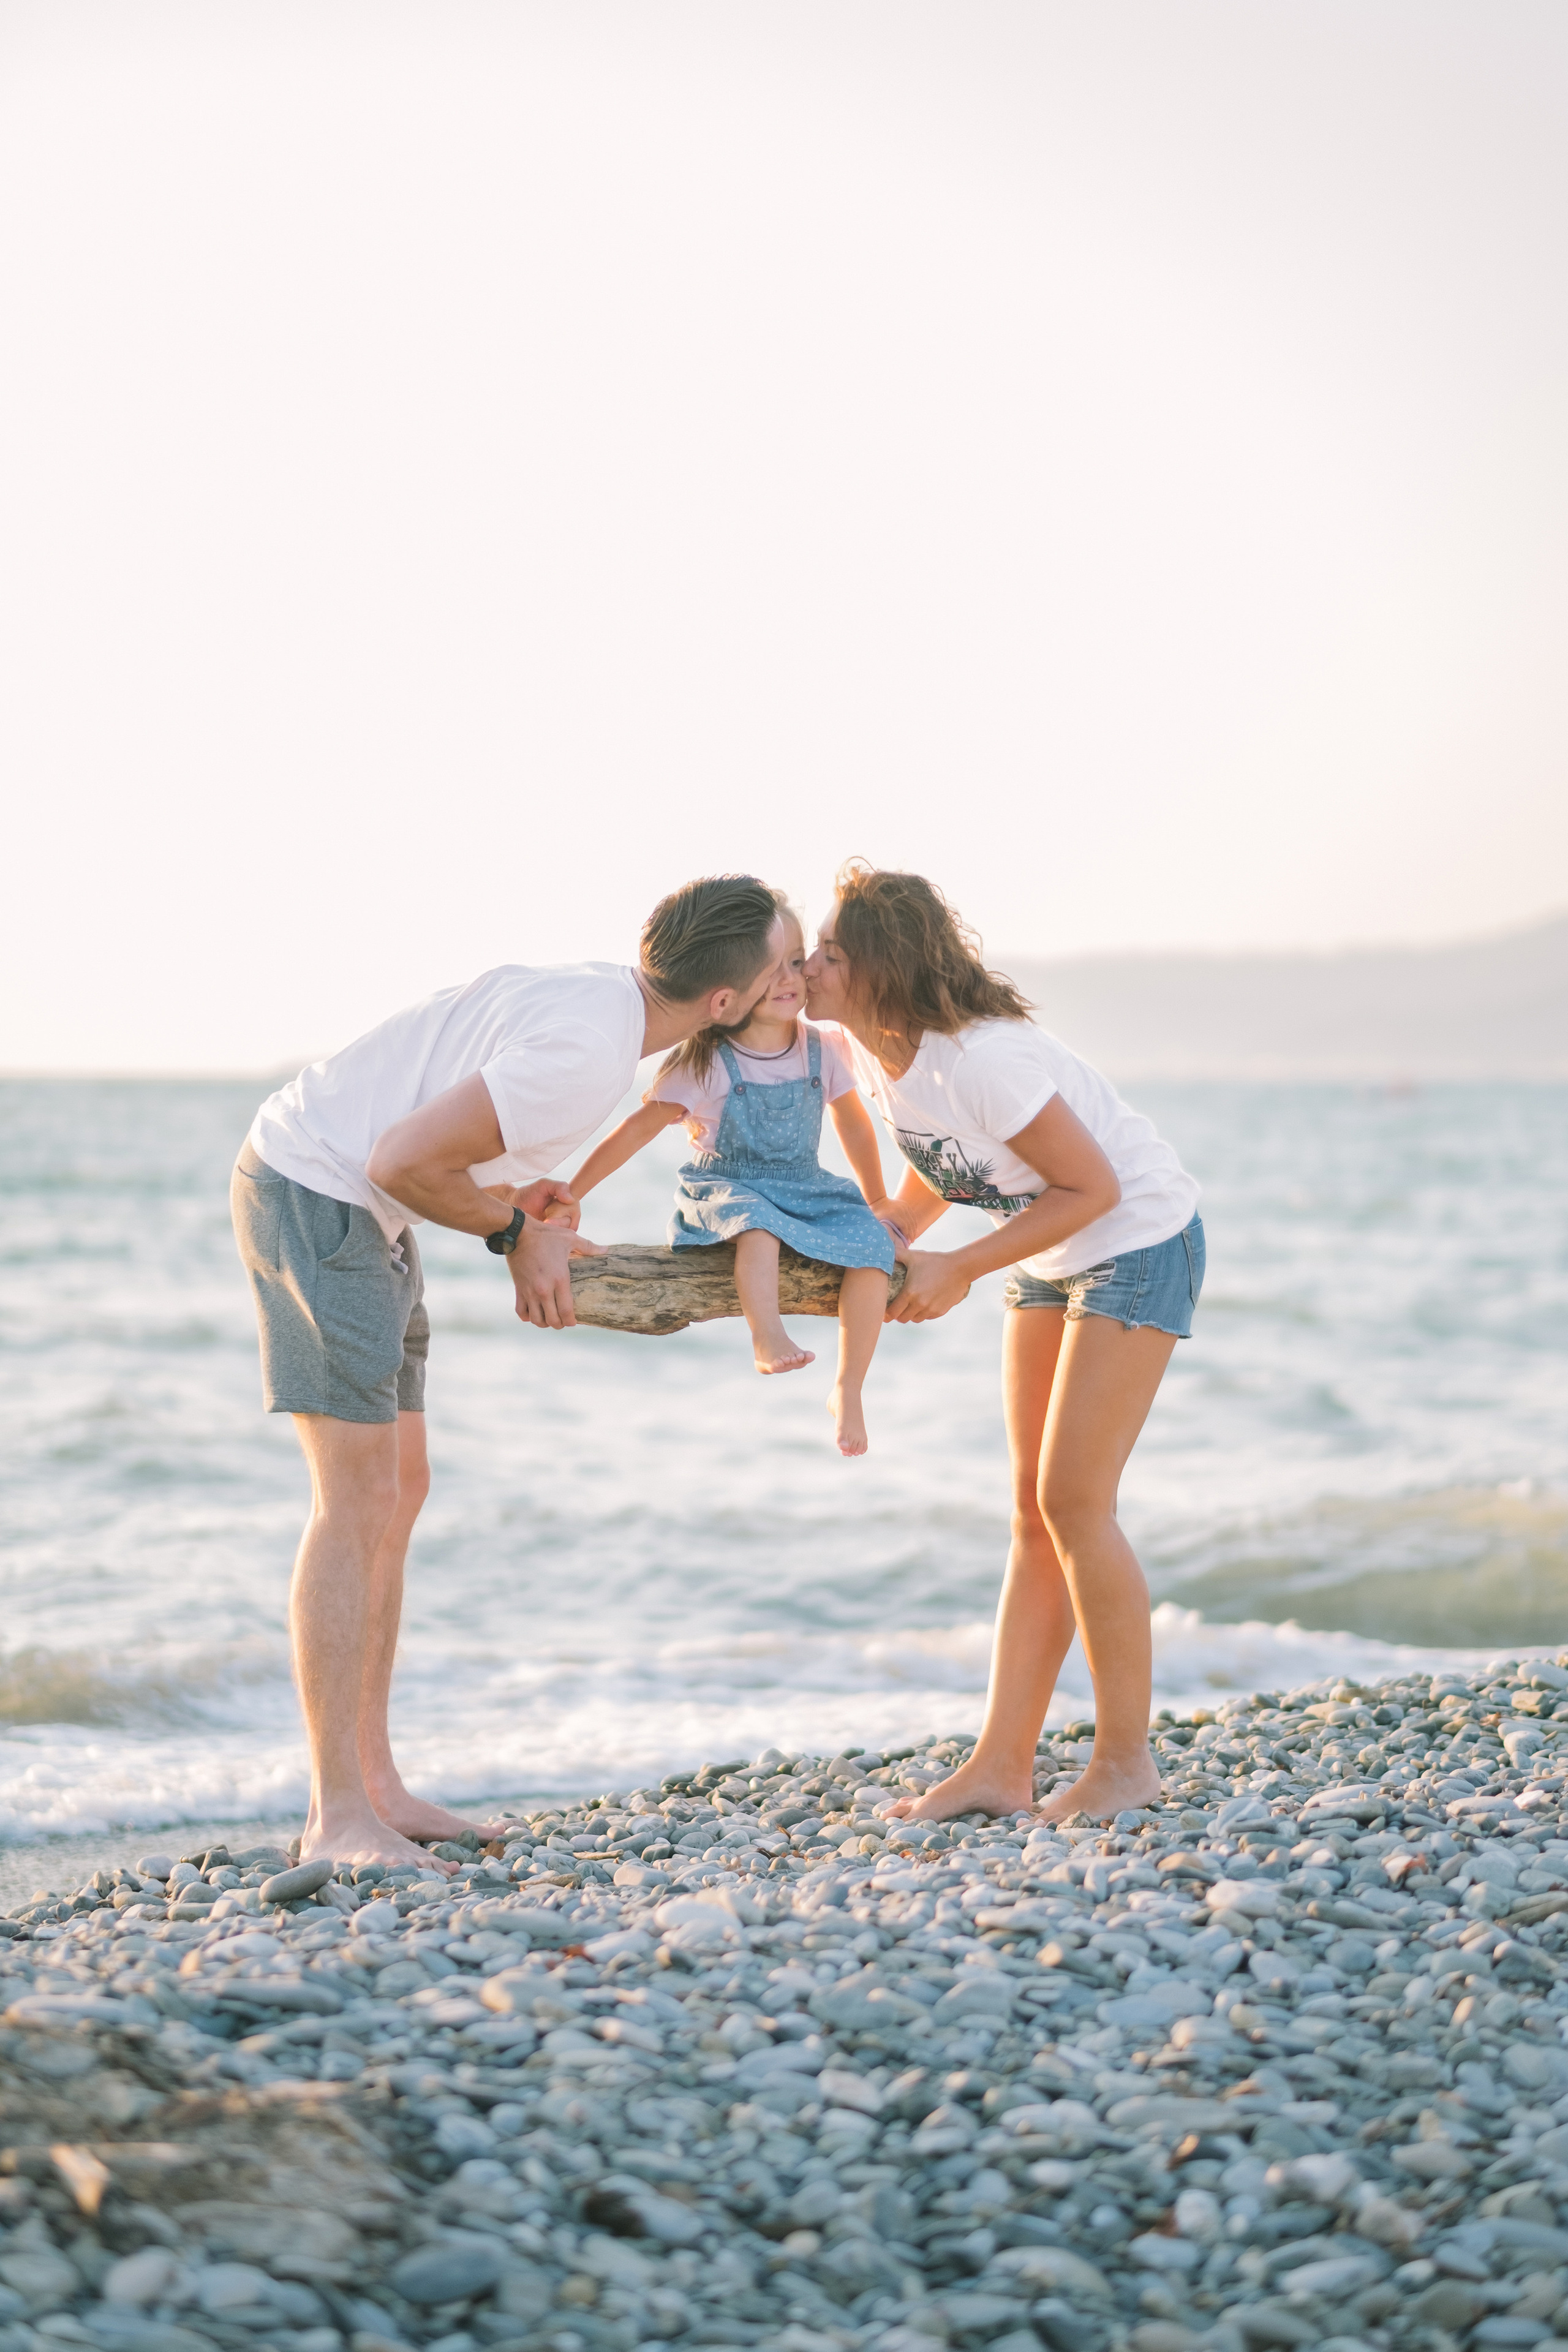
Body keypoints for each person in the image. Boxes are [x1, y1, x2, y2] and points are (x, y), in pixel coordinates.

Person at [230, 875, 785, 1869]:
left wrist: (504, 1197)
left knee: (400, 1488)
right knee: (352, 1503)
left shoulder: (597, 1004)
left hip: (362, 1206)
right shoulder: (588, 1055)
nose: (795, 982)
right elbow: (404, 1158)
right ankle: (336, 1815)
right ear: (724, 1004)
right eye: (782, 968)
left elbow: (427, 1140)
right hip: (318, 1197)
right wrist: (516, 1232)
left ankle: (378, 1782)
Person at [804, 861, 1204, 1824]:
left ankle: (1125, 1764)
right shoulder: (870, 1052)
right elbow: (955, 1160)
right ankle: (998, 1767)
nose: (810, 967)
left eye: (829, 953)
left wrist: (961, 1268)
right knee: (1033, 1512)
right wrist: (893, 1236)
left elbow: (1095, 1188)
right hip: (1054, 1242)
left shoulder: (984, 1060)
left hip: (1136, 1238)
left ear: (880, 969)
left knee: (1075, 1501)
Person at [571, 898, 894, 1455]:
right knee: (758, 1226)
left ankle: (849, 1386)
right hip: (727, 1186)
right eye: (769, 970)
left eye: (796, 962)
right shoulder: (708, 1060)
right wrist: (572, 1193)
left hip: (803, 1183)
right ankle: (766, 1336)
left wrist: (879, 1201)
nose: (787, 979)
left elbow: (855, 1127)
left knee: (873, 1247)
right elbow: (634, 1131)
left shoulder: (823, 1050)